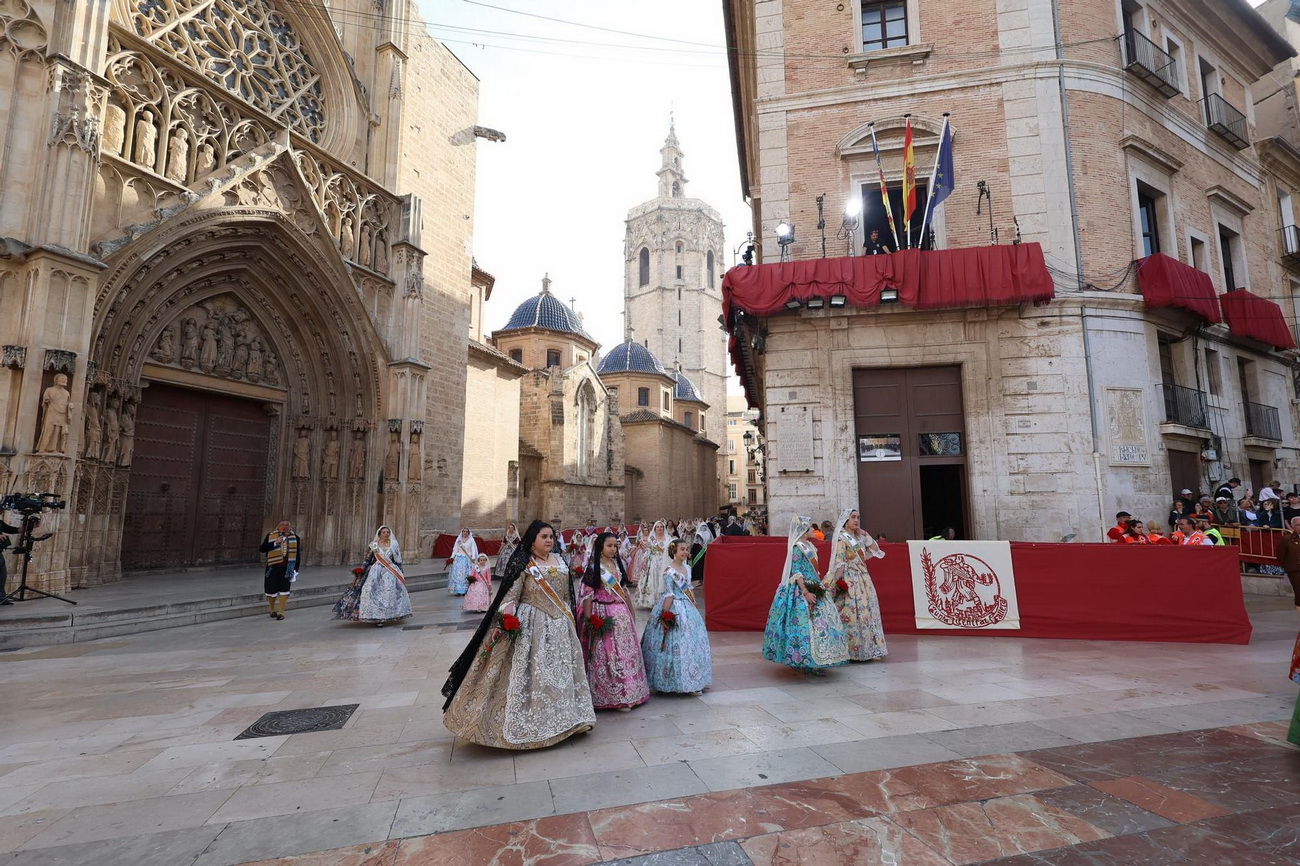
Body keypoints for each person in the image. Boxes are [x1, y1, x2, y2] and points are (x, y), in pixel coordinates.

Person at [441, 520, 596, 749]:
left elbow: (566, 594)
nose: (549, 540)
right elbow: (511, 595)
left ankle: (569, 719)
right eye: (544, 536)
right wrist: (507, 619)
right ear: (532, 540)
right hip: (531, 624)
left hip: (560, 626)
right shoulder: (524, 563)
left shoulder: (560, 560)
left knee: (561, 672)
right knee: (534, 674)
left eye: (551, 537)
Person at [762, 515, 849, 674]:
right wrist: (806, 592)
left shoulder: (809, 545)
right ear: (803, 530)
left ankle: (820, 658)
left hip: (814, 584)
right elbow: (796, 572)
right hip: (802, 589)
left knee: (821, 623)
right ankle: (805, 660)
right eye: (809, 527)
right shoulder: (798, 547)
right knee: (803, 624)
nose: (813, 530)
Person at [578, 532, 650, 711]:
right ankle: (612, 695)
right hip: (603, 613)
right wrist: (589, 619)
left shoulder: (617, 564)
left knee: (625, 652)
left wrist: (631, 611)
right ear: (600, 547)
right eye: (609, 546)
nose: (613, 549)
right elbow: (587, 594)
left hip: (620, 613)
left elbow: (623, 590)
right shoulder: (594, 568)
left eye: (615, 546)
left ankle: (630, 691)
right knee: (607, 654)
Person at [640, 539, 712, 694]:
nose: (685, 552)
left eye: (687, 549)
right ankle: (669, 681)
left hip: (687, 607)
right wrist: (665, 615)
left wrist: (693, 604)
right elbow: (669, 594)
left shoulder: (687, 567)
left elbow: (689, 588)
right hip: (674, 608)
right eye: (682, 549)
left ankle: (693, 678)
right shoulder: (669, 571)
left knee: (691, 643)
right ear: (674, 551)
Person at [827, 508, 887, 662]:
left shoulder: (858, 537)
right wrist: (838, 581)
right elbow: (839, 561)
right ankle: (851, 650)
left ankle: (868, 648)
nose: (856, 520)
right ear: (845, 520)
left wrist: (864, 533)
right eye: (853, 517)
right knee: (852, 613)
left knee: (867, 612)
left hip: (863, 579)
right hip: (850, 579)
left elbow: (875, 550)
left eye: (858, 517)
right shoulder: (842, 538)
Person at [352, 525, 412, 626]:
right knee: (372, 591)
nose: (386, 534)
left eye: (388, 532)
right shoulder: (374, 545)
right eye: (384, 532)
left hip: (391, 571)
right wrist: (361, 570)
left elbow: (397, 560)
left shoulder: (393, 544)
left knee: (389, 593)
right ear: (379, 534)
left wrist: (401, 573)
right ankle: (377, 617)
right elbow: (368, 558)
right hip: (377, 571)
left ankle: (390, 615)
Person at [259, 521, 300, 620]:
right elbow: (262, 549)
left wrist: (295, 569)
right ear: (278, 526)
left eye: (287, 525)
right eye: (282, 525)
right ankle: (272, 609)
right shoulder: (271, 536)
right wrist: (275, 542)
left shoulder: (295, 538)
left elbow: (297, 554)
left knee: (284, 589)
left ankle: (281, 612)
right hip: (273, 567)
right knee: (271, 588)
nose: (284, 527)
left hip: (287, 567)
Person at [634, 520, 670, 609]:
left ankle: (663, 601)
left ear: (664, 528)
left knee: (663, 579)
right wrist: (645, 560)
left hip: (664, 562)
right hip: (653, 561)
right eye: (658, 527)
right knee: (653, 580)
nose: (659, 528)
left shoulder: (668, 538)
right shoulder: (652, 538)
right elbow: (648, 550)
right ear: (655, 528)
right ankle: (653, 601)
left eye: (661, 527)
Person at [447, 528, 476, 596]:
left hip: (467, 559)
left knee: (464, 575)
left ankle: (464, 590)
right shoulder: (458, 540)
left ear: (468, 533)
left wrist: (473, 557)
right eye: (464, 531)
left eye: (466, 532)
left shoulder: (471, 540)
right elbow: (455, 549)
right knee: (457, 575)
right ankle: (457, 590)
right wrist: (452, 557)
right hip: (458, 559)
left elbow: (473, 550)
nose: (465, 533)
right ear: (462, 532)